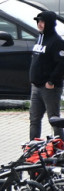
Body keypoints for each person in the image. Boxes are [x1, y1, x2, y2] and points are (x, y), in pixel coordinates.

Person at [29, 10, 64, 140]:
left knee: (54, 121)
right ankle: (31, 149)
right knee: (34, 119)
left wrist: (51, 81)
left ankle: (60, 150)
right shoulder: (39, 38)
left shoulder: (57, 42)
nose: (39, 24)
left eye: (42, 21)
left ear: (49, 23)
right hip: (36, 87)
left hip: (50, 89)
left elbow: (61, 65)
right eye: (38, 21)